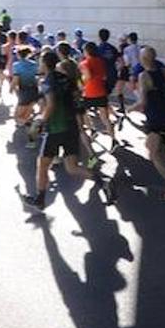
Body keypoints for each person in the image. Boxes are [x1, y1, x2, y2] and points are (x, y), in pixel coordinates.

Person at [22, 50, 112, 212]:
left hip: (55, 129)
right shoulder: (67, 79)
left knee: (42, 166)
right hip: (71, 128)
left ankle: (39, 199)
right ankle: (103, 182)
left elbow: (50, 104)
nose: (39, 64)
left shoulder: (47, 82)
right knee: (72, 167)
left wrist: (39, 121)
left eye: (40, 61)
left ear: (45, 64)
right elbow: (77, 98)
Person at [137, 46, 165, 184]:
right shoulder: (164, 71)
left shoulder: (143, 76)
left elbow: (143, 101)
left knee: (153, 154)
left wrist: (130, 108)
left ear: (144, 59)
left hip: (155, 118)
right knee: (160, 145)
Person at [78, 41, 118, 152]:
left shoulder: (84, 63)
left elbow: (87, 76)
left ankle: (92, 129)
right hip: (101, 91)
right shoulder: (101, 61)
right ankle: (114, 140)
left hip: (89, 92)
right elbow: (104, 75)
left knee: (83, 112)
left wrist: (82, 82)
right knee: (105, 118)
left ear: (86, 51)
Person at [12, 45, 41, 134]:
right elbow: (38, 78)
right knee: (27, 113)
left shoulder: (17, 65)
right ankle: (32, 129)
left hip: (24, 91)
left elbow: (16, 79)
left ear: (19, 55)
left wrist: (12, 87)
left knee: (17, 116)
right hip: (34, 90)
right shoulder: (35, 64)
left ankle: (34, 126)